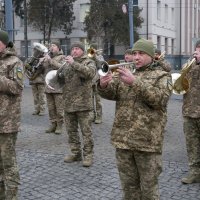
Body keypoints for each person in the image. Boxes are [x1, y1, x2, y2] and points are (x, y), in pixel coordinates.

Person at [97, 38, 172, 199]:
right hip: (123, 140)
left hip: (147, 143)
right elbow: (112, 93)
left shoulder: (162, 76)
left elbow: (159, 100)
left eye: (141, 54)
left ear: (151, 56)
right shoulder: (126, 72)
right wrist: (103, 85)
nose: (136, 57)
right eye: (134, 53)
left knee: (149, 190)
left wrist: (134, 82)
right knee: (129, 188)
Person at [57, 41, 96, 167]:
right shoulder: (67, 63)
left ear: (82, 50)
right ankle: (76, 153)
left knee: (86, 132)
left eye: (77, 49)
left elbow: (90, 74)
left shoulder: (88, 62)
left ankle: (88, 155)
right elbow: (61, 79)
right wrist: (58, 74)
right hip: (68, 103)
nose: (74, 51)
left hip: (83, 104)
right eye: (72, 49)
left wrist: (74, 64)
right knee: (71, 131)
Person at [0, 30, 24, 199]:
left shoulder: (15, 62)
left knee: (8, 162)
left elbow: (17, 87)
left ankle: (12, 195)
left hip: (7, 121)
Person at [181, 40, 200, 184]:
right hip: (189, 111)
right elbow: (180, 84)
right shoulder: (189, 66)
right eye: (196, 50)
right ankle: (195, 172)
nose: (196, 53)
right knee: (192, 145)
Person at [43, 41, 65, 134]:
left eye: (54, 46)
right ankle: (53, 124)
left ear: (59, 48)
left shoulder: (62, 57)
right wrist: (44, 61)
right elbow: (44, 68)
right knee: (51, 108)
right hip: (49, 86)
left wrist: (50, 60)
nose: (52, 47)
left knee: (59, 108)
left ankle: (59, 125)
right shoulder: (49, 57)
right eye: (51, 45)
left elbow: (62, 67)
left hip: (58, 87)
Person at [24, 43, 46, 116]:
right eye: (35, 50)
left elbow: (44, 68)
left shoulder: (43, 59)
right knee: (35, 96)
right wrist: (27, 66)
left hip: (40, 80)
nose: (35, 52)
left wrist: (41, 63)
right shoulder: (31, 58)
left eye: (37, 50)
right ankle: (37, 109)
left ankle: (42, 110)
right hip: (33, 80)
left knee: (41, 96)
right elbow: (26, 66)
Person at [89, 43, 103, 124]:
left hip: (97, 81)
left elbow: (101, 65)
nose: (92, 50)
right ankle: (92, 115)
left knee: (98, 101)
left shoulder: (100, 56)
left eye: (93, 48)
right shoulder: (88, 57)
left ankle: (99, 116)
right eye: (91, 49)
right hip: (90, 81)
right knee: (90, 100)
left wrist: (95, 56)